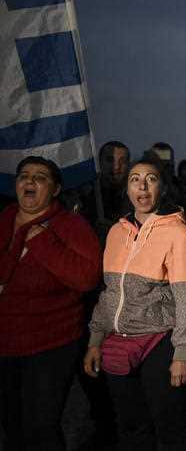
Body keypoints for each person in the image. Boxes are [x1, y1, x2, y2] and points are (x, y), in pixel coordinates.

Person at [83, 155, 186, 450]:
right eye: (135, 179)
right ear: (127, 189)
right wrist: (95, 340)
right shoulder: (115, 232)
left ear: (162, 187)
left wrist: (182, 354)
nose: (143, 186)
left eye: (151, 178)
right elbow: (110, 292)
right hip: (119, 340)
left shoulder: (179, 234)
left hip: (160, 341)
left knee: (169, 428)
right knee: (131, 428)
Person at [0, 156, 101, 450]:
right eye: (24, 175)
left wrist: (43, 243)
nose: (29, 181)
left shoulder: (70, 226)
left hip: (50, 344)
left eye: (40, 177)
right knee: (11, 426)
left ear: (56, 189)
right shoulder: (4, 218)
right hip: (5, 344)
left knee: (41, 427)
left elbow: (86, 278)